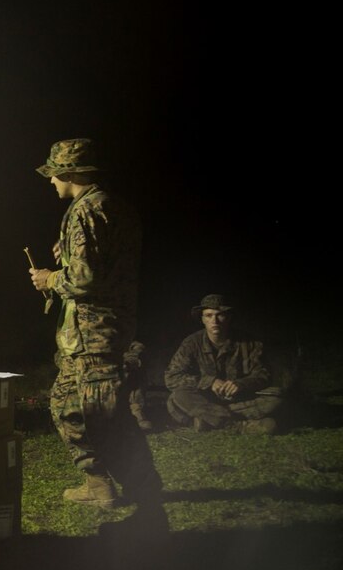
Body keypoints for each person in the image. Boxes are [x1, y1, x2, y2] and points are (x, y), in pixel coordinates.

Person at [28, 138, 163, 511]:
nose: (51, 181)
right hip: (94, 332)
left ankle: (145, 489)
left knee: (103, 416)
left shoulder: (85, 210)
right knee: (64, 406)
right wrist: (68, 255)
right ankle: (97, 481)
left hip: (94, 334)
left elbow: (86, 278)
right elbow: (104, 262)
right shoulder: (113, 207)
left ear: (68, 172)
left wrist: (51, 279)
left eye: (53, 174)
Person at [164, 294, 282, 434]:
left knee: (276, 397)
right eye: (208, 315)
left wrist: (241, 384)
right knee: (178, 396)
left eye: (220, 315)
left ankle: (207, 421)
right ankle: (238, 426)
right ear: (202, 319)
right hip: (204, 399)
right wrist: (209, 382)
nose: (214, 321)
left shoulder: (249, 342)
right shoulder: (191, 343)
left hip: (237, 399)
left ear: (229, 317)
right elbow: (171, 378)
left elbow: (263, 374)